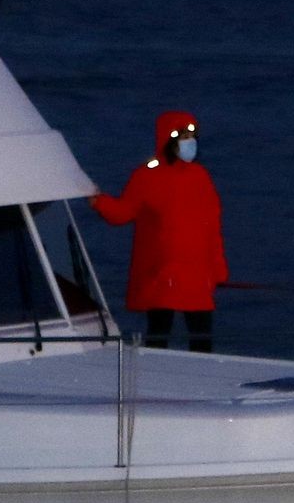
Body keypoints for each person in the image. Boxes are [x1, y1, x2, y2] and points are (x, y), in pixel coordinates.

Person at [87, 110, 227, 350]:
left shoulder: (198, 177)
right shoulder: (149, 177)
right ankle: (161, 379)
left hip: (191, 272)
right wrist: (99, 201)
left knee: (195, 336)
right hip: (164, 272)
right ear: (169, 140)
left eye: (191, 137)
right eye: (183, 137)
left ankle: (196, 378)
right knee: (164, 331)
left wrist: (218, 269)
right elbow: (123, 212)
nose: (189, 143)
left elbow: (212, 227)